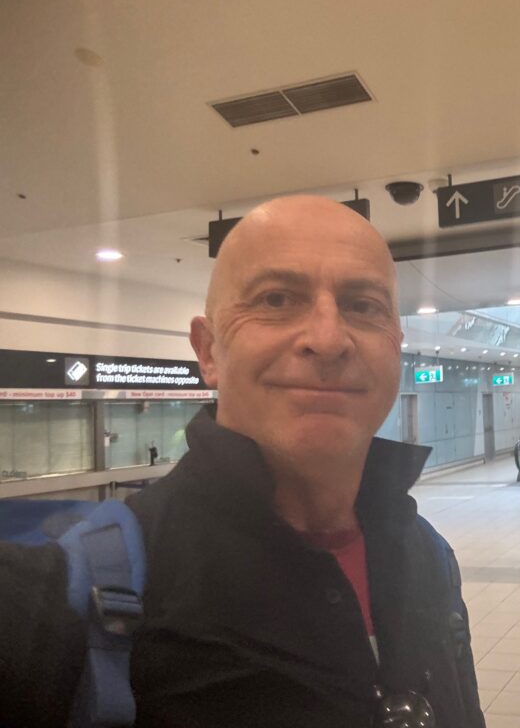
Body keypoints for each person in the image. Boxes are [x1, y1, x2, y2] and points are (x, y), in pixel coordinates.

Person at [0, 196, 485, 728]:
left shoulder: (428, 558)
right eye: (277, 299)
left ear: (396, 343)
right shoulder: (67, 598)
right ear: (208, 351)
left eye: (363, 305)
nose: (327, 339)